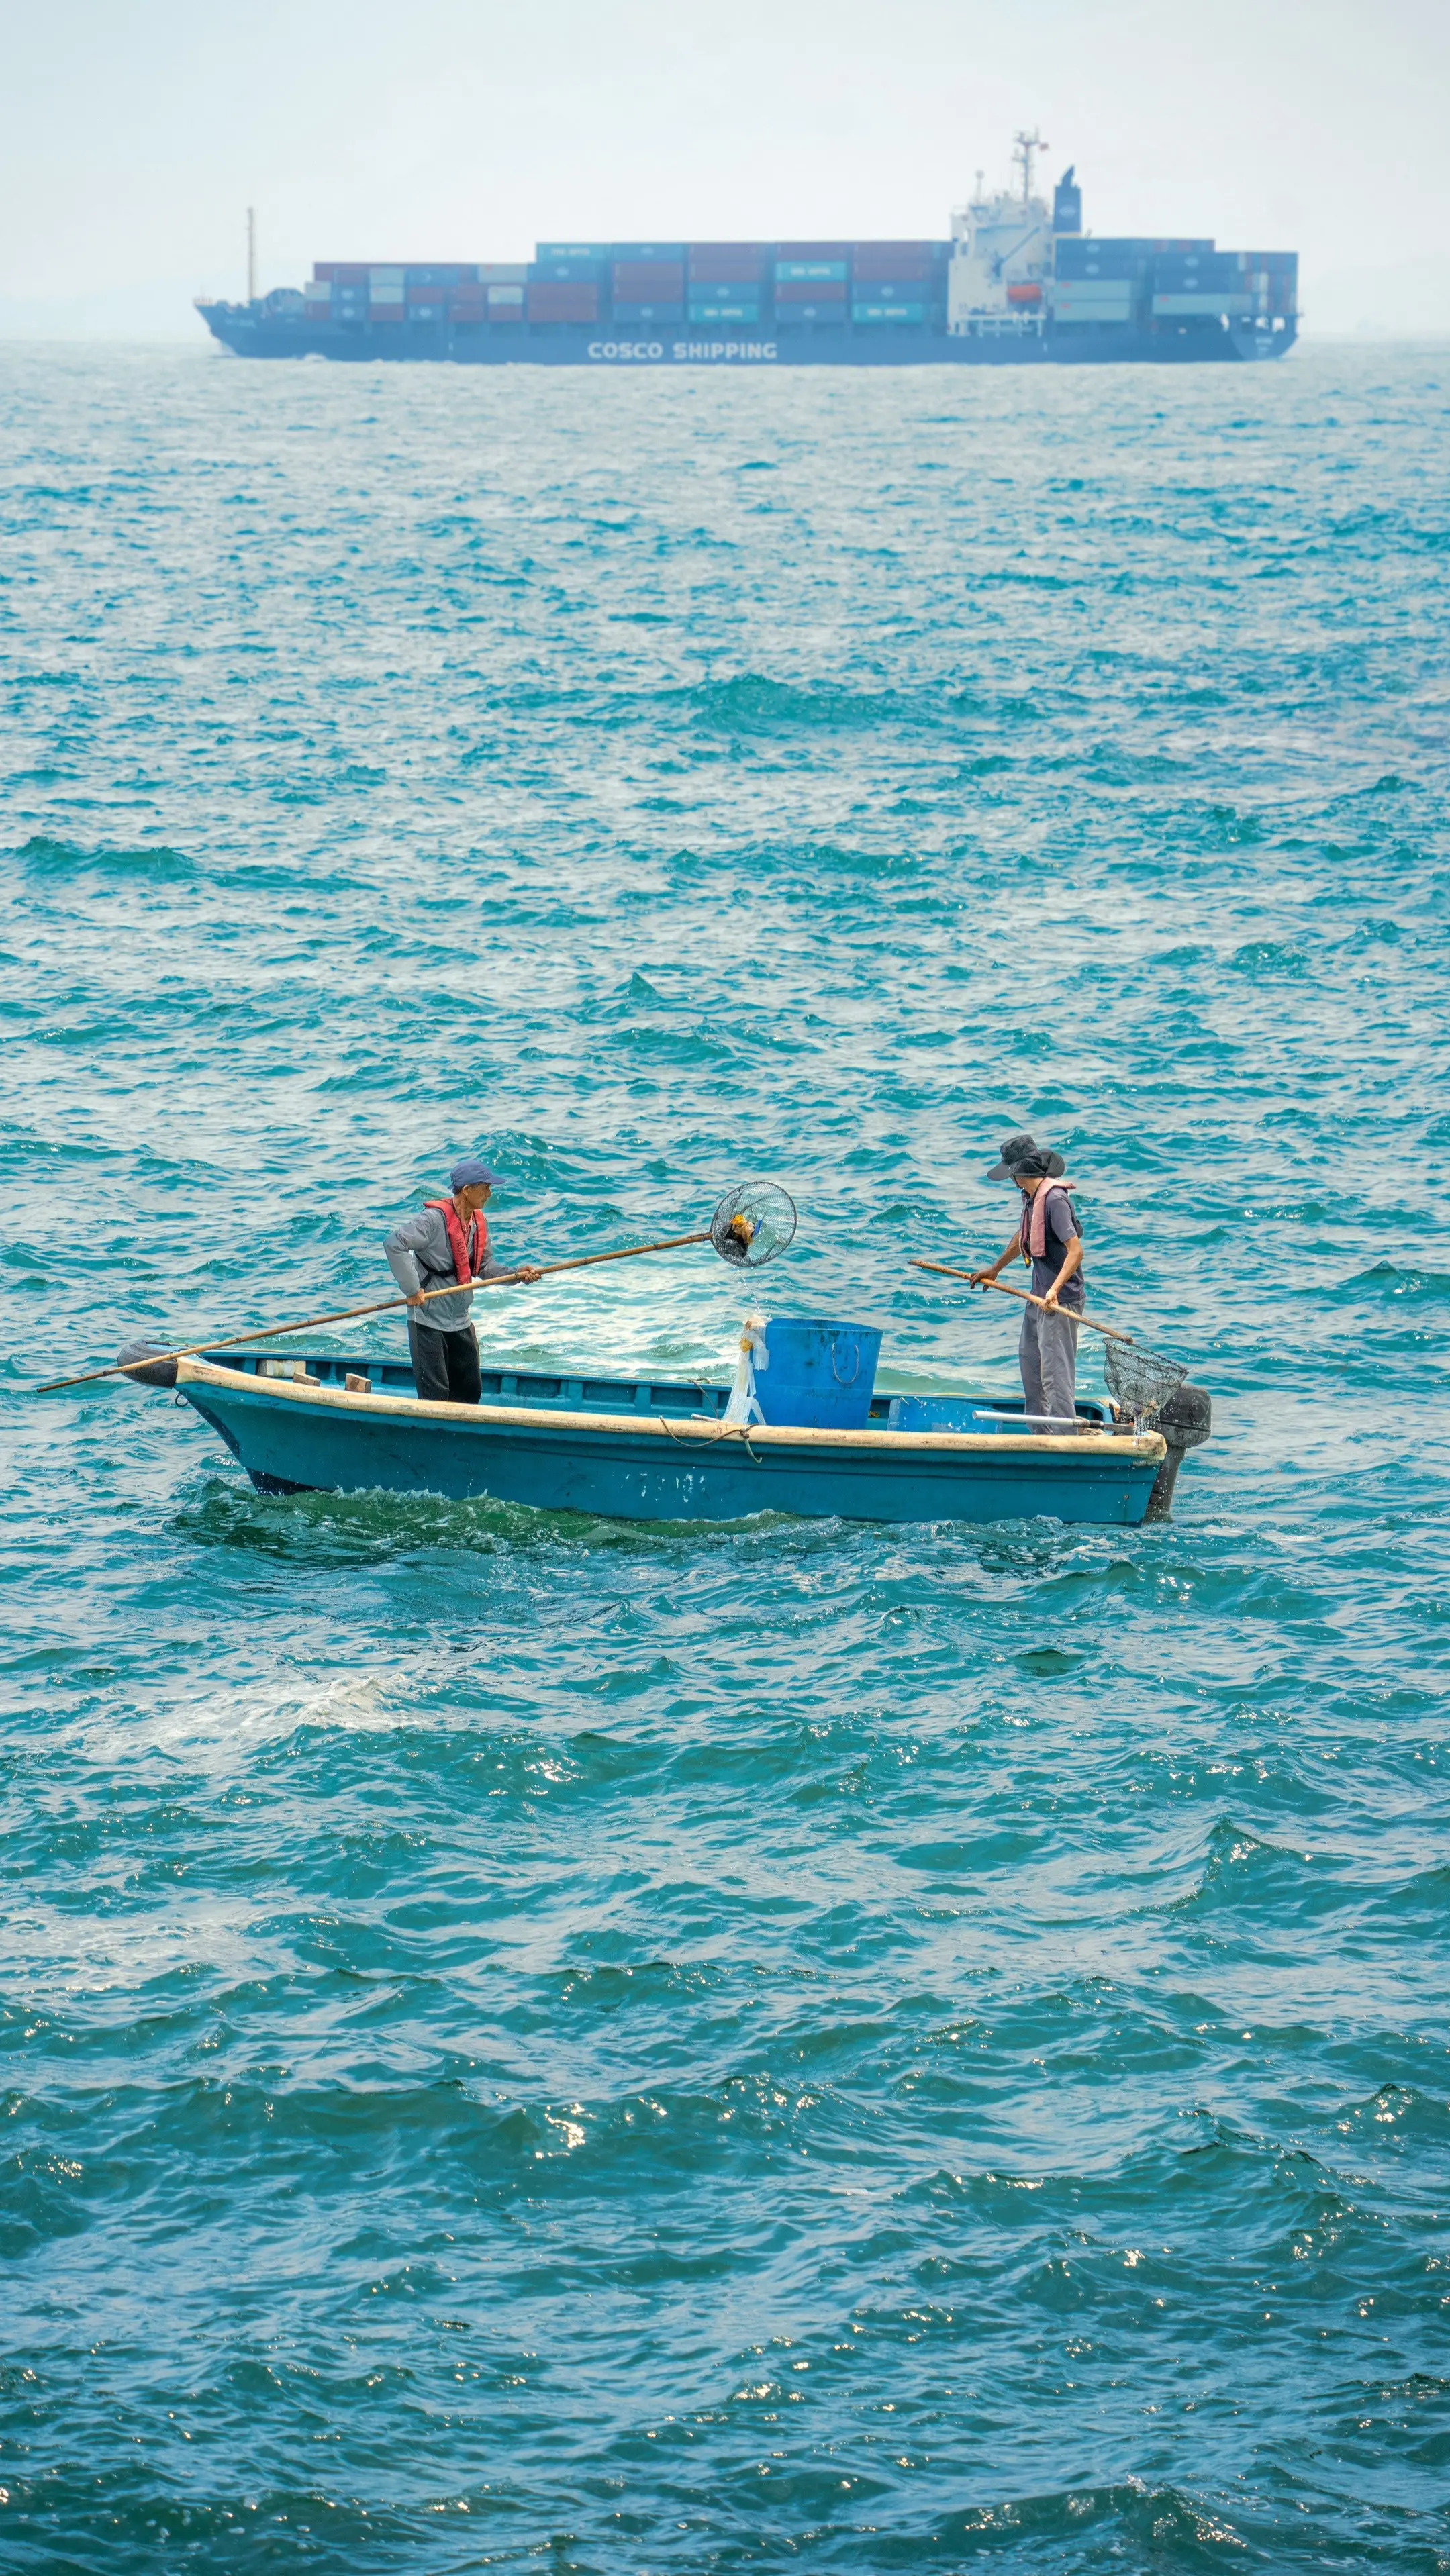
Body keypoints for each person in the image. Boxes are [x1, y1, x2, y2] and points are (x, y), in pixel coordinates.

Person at [384, 1156, 541, 1405]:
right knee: (435, 1399)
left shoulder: (478, 1222)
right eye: (485, 1187)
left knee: (470, 1392)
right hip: (428, 1321)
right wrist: (412, 1290)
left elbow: (484, 1267)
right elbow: (394, 1244)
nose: (490, 1193)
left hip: (460, 1320)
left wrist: (516, 1275)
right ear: (466, 1190)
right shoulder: (432, 1220)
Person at [971, 1132, 1085, 1434]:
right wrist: (995, 1269)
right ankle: (1041, 1438)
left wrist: (1054, 1291)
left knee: (1055, 1375)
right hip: (1038, 1298)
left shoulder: (1055, 1201)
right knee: (1031, 1367)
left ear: (1019, 1173)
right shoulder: (1031, 1198)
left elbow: (1076, 1251)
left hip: (1059, 1301)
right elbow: (1024, 1236)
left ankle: (1065, 1441)